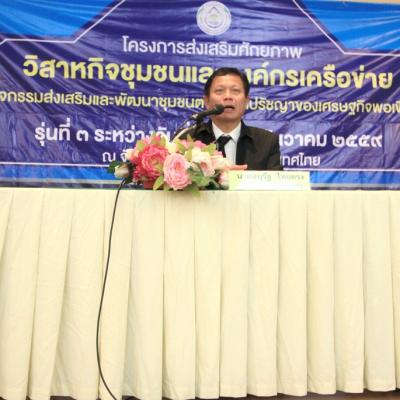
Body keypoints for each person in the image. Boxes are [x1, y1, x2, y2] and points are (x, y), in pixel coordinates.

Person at [182, 67, 282, 170]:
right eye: (219, 91)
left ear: (246, 101)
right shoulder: (188, 139)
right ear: (207, 101)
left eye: (235, 91)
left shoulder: (266, 142)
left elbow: (276, 180)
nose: (228, 96)